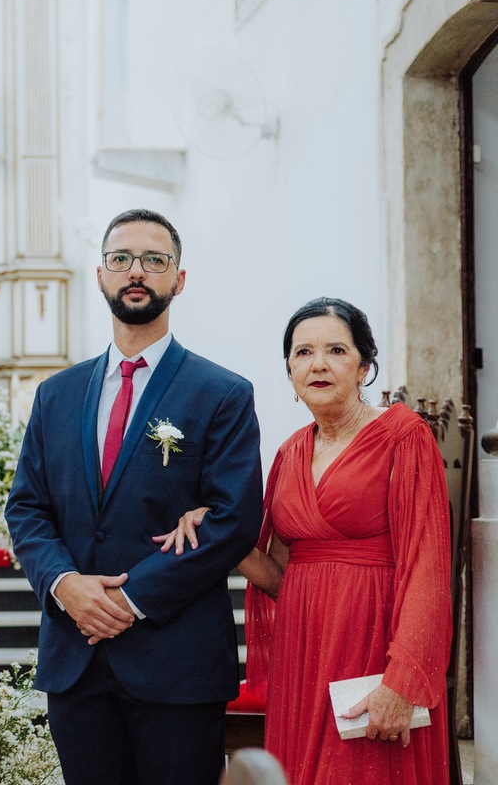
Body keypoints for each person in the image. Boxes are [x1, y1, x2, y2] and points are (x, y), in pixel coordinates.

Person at [5, 208, 264, 784]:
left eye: (154, 259)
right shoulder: (57, 394)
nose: (136, 271)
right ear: (100, 275)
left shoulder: (221, 393)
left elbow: (233, 520)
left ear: (179, 278)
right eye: (121, 259)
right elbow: (27, 507)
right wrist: (64, 584)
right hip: (75, 655)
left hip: (176, 658)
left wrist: (129, 600)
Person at [157, 297, 452, 785]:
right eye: (302, 352)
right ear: (290, 371)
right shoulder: (289, 453)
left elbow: (427, 566)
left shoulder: (404, 435)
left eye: (336, 350)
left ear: (364, 367)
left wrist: (402, 682)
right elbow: (278, 577)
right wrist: (216, 526)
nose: (318, 364)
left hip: (375, 647)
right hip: (305, 648)